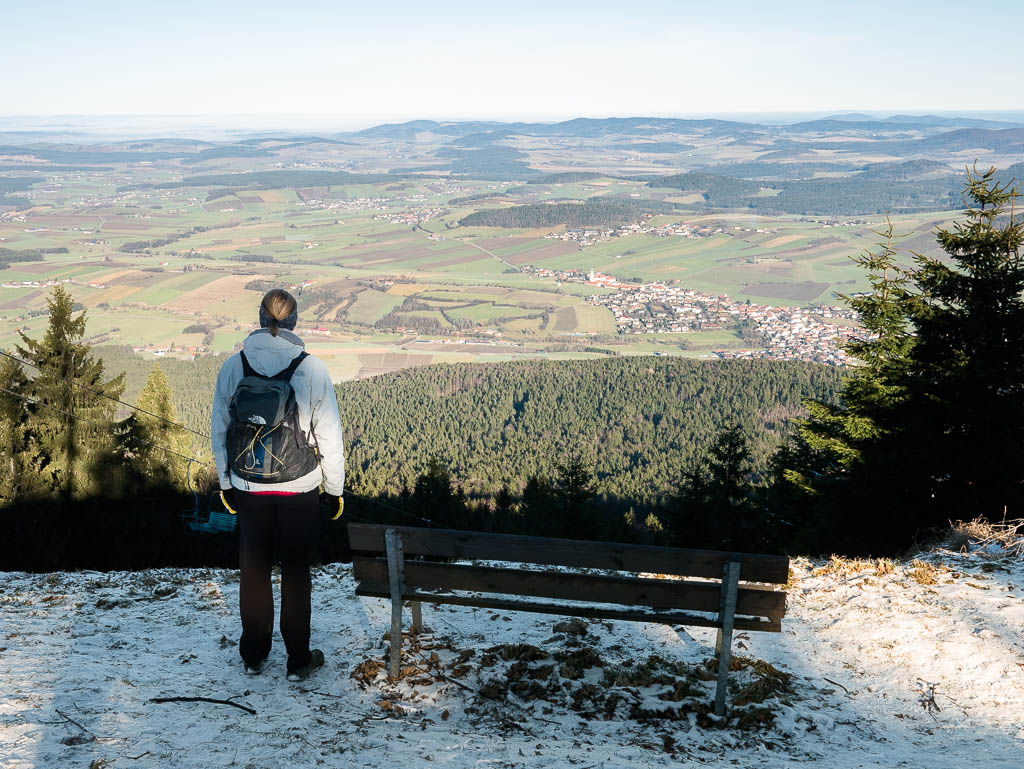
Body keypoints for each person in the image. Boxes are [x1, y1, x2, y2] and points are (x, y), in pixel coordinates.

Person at [211, 288, 344, 681]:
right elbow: (330, 437)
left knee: (254, 570)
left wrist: (225, 482)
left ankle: (254, 655)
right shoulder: (311, 369)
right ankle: (298, 660)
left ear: (258, 318)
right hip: (299, 485)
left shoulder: (233, 367)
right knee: (296, 571)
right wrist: (334, 489)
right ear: (295, 322)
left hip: (249, 484)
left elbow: (220, 429)